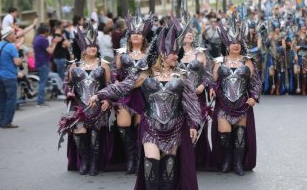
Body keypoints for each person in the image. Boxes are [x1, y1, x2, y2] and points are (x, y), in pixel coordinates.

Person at [90, 23, 201, 190]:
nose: (177, 57)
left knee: (168, 171)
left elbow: (191, 102)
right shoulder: (145, 74)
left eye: (177, 54)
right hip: (150, 127)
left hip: (175, 128)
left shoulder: (182, 76)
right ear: (162, 54)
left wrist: (193, 124)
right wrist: (100, 94)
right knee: (151, 167)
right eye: (173, 54)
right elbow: (122, 87)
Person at [210, 14, 261, 176]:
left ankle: (238, 163)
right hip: (223, 104)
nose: (235, 45)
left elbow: (256, 82)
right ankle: (227, 160)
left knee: (240, 135)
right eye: (232, 43)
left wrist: (254, 96)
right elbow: (212, 79)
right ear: (227, 44)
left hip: (242, 103)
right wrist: (211, 87)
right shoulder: (219, 61)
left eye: (238, 43)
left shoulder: (247, 61)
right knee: (224, 134)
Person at [59, 24, 111, 176]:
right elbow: (67, 84)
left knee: (95, 135)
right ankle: (85, 160)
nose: (92, 48)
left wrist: (107, 100)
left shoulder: (104, 65)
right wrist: (68, 92)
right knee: (79, 133)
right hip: (79, 107)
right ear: (83, 49)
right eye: (89, 46)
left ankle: (94, 163)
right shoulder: (74, 65)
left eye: (94, 45)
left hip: (98, 107)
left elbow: (109, 86)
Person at [113, 13, 152, 174]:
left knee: (140, 127)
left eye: (139, 34)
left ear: (143, 38)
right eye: (133, 34)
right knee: (123, 125)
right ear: (129, 37)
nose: (136, 36)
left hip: (143, 95)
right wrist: (116, 82)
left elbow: (154, 73)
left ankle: (139, 160)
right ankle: (130, 158)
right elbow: (116, 72)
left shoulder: (150, 55)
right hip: (125, 95)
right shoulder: (122, 54)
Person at [175, 14, 214, 170]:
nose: (189, 35)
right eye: (186, 33)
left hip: (198, 95)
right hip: (179, 97)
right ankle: (182, 159)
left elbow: (209, 73)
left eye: (191, 33)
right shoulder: (173, 54)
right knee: (180, 126)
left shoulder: (201, 53)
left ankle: (198, 159)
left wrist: (203, 86)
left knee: (197, 125)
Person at [0, 27, 22, 128]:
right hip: (9, 76)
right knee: (11, 100)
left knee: (2, 99)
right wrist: (20, 60)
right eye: (14, 34)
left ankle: (2, 121)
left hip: (0, 75)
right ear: (9, 36)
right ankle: (7, 122)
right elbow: (16, 62)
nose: (15, 36)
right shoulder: (11, 47)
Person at [33, 24, 61, 107]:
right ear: (45, 31)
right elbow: (51, 51)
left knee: (42, 82)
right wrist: (55, 43)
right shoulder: (43, 39)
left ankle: (40, 100)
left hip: (38, 62)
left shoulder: (36, 38)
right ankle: (40, 101)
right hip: (43, 63)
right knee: (43, 82)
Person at [291, 18, 307, 95]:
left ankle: (304, 89)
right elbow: (292, 46)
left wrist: (300, 46)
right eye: (302, 27)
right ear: (300, 27)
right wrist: (295, 54)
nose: (304, 28)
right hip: (298, 56)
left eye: (305, 26)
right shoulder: (296, 35)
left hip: (306, 56)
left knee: (304, 73)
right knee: (296, 71)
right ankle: (298, 87)